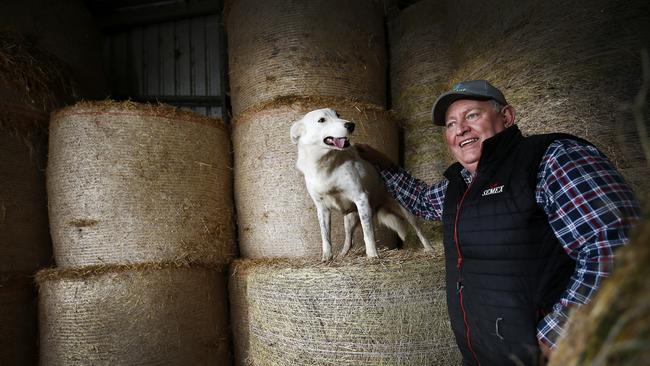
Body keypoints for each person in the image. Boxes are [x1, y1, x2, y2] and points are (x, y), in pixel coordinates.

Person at [357, 80, 641, 365]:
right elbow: (421, 200)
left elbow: (619, 249)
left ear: (506, 117)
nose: (461, 129)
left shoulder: (553, 157)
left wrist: (559, 335)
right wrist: (384, 165)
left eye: (472, 115)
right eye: (451, 124)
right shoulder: (459, 184)